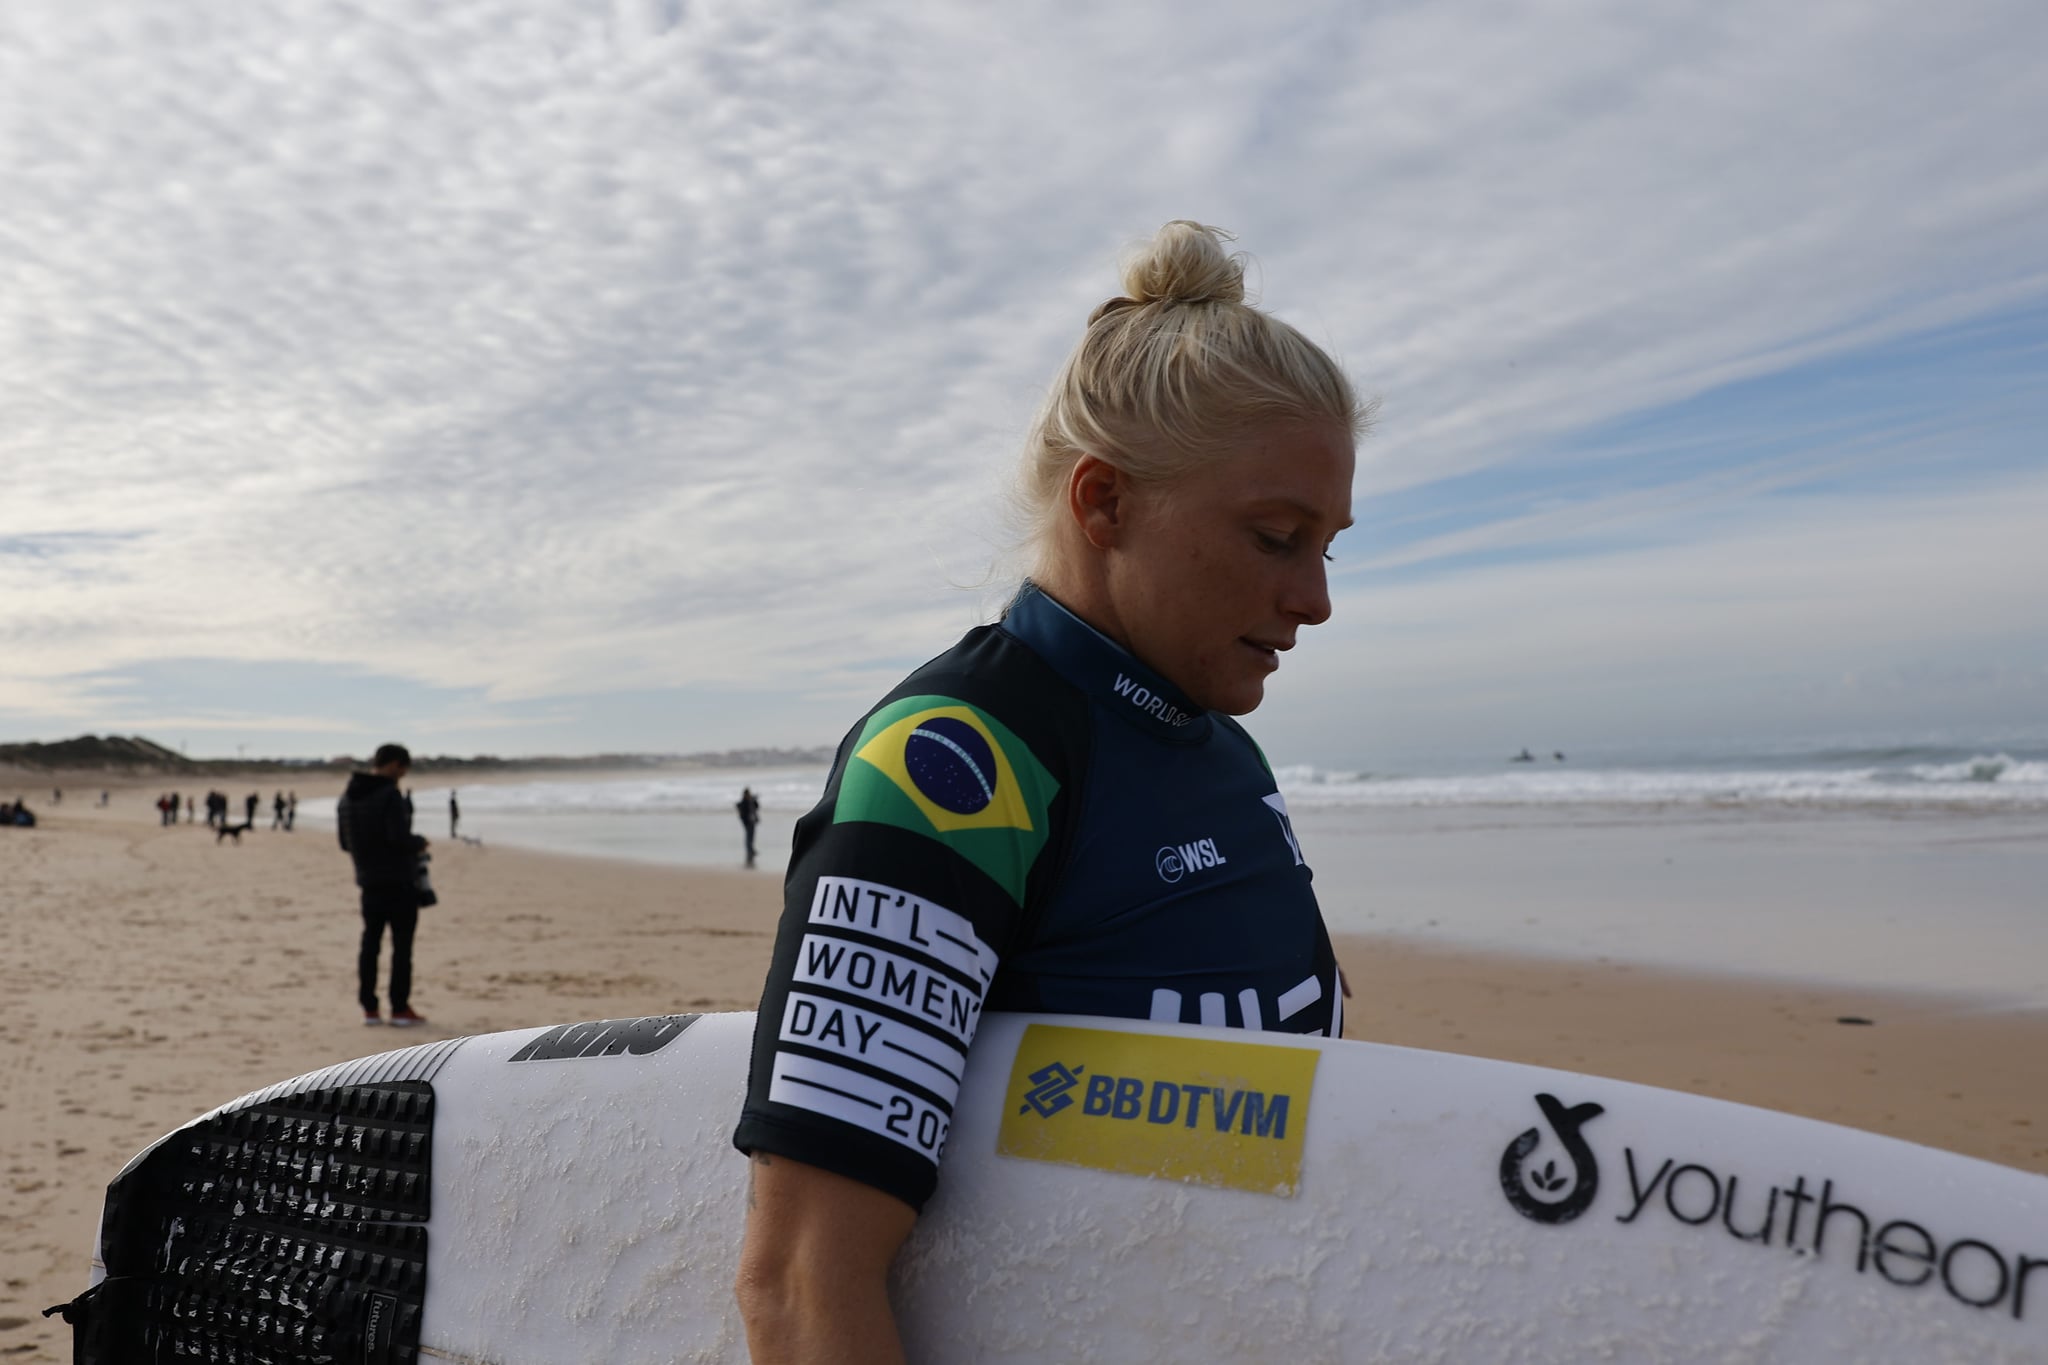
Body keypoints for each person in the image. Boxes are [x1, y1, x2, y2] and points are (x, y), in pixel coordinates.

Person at [731, 221, 1364, 1361]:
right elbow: (799, 1283)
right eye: (1276, 537)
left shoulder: (1221, 750)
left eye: (1330, 545)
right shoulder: (955, 766)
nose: (1314, 598)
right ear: (1102, 503)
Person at [337, 743, 431, 1027]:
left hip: (368, 882)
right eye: (403, 769)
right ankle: (400, 1009)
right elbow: (399, 839)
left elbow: (344, 843)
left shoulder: (347, 796)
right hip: (399, 882)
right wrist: (420, 842)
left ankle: (370, 1009)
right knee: (401, 948)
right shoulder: (389, 794)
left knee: (370, 944)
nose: (402, 776)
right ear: (393, 765)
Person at [735, 787, 760, 867]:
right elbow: (741, 812)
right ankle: (749, 851)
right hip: (747, 822)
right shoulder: (743, 802)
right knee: (749, 837)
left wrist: (754, 800)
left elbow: (757, 807)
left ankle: (751, 850)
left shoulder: (750, 801)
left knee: (751, 837)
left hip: (752, 822)